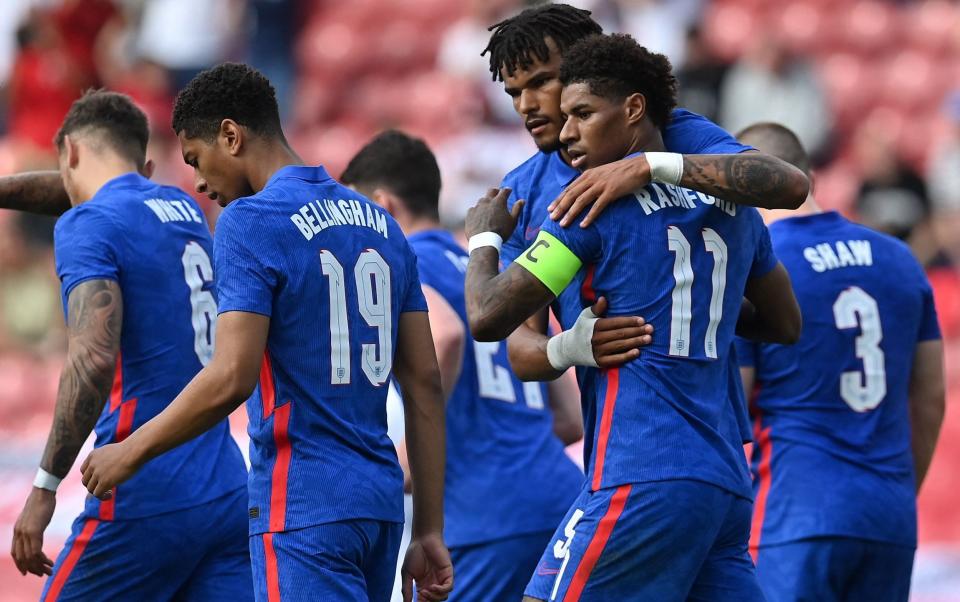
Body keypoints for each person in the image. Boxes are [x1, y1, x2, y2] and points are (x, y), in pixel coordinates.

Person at [75, 63, 453, 602]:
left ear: (231, 135)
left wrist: (131, 450)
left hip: (300, 504)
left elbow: (232, 375)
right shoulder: (381, 223)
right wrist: (430, 530)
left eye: (197, 160)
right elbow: (424, 384)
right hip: (379, 508)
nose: (200, 184)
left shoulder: (251, 221)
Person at [464, 33, 802, 601]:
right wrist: (572, 346)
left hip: (641, 463)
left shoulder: (596, 197)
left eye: (553, 89)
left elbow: (485, 316)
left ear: (630, 106)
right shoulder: (727, 202)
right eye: (515, 92)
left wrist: (482, 239)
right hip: (720, 476)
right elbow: (785, 323)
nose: (533, 108)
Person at [341, 130, 653, 601]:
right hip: (559, 498)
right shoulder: (483, 275)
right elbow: (567, 421)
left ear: (383, 206)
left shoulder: (403, 262)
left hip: (484, 521)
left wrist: (400, 462)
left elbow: (444, 337)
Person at [9, 90, 251, 601]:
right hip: (224, 489)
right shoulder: (182, 206)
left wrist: (45, 487)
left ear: (70, 151)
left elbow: (93, 358)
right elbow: (91, 195)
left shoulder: (89, 223)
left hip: (143, 490)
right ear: (142, 163)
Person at [735, 123, 945, 602]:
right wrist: (894, 489)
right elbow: (931, 397)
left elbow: (733, 407)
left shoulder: (760, 270)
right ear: (810, 178)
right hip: (888, 515)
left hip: (796, 512)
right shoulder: (900, 258)